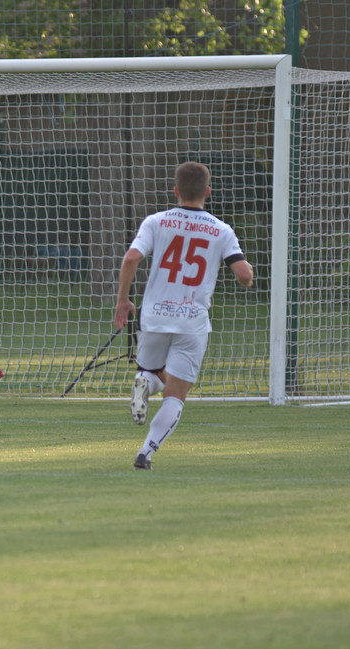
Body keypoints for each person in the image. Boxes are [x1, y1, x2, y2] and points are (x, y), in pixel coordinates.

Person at [113, 161, 254, 470]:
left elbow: (132, 257)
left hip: (154, 316)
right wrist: (247, 277)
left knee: (150, 372)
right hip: (192, 322)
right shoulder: (221, 229)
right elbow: (243, 273)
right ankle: (145, 453)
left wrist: (123, 300)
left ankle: (143, 383)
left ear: (175, 191)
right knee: (175, 394)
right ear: (208, 192)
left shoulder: (156, 221)